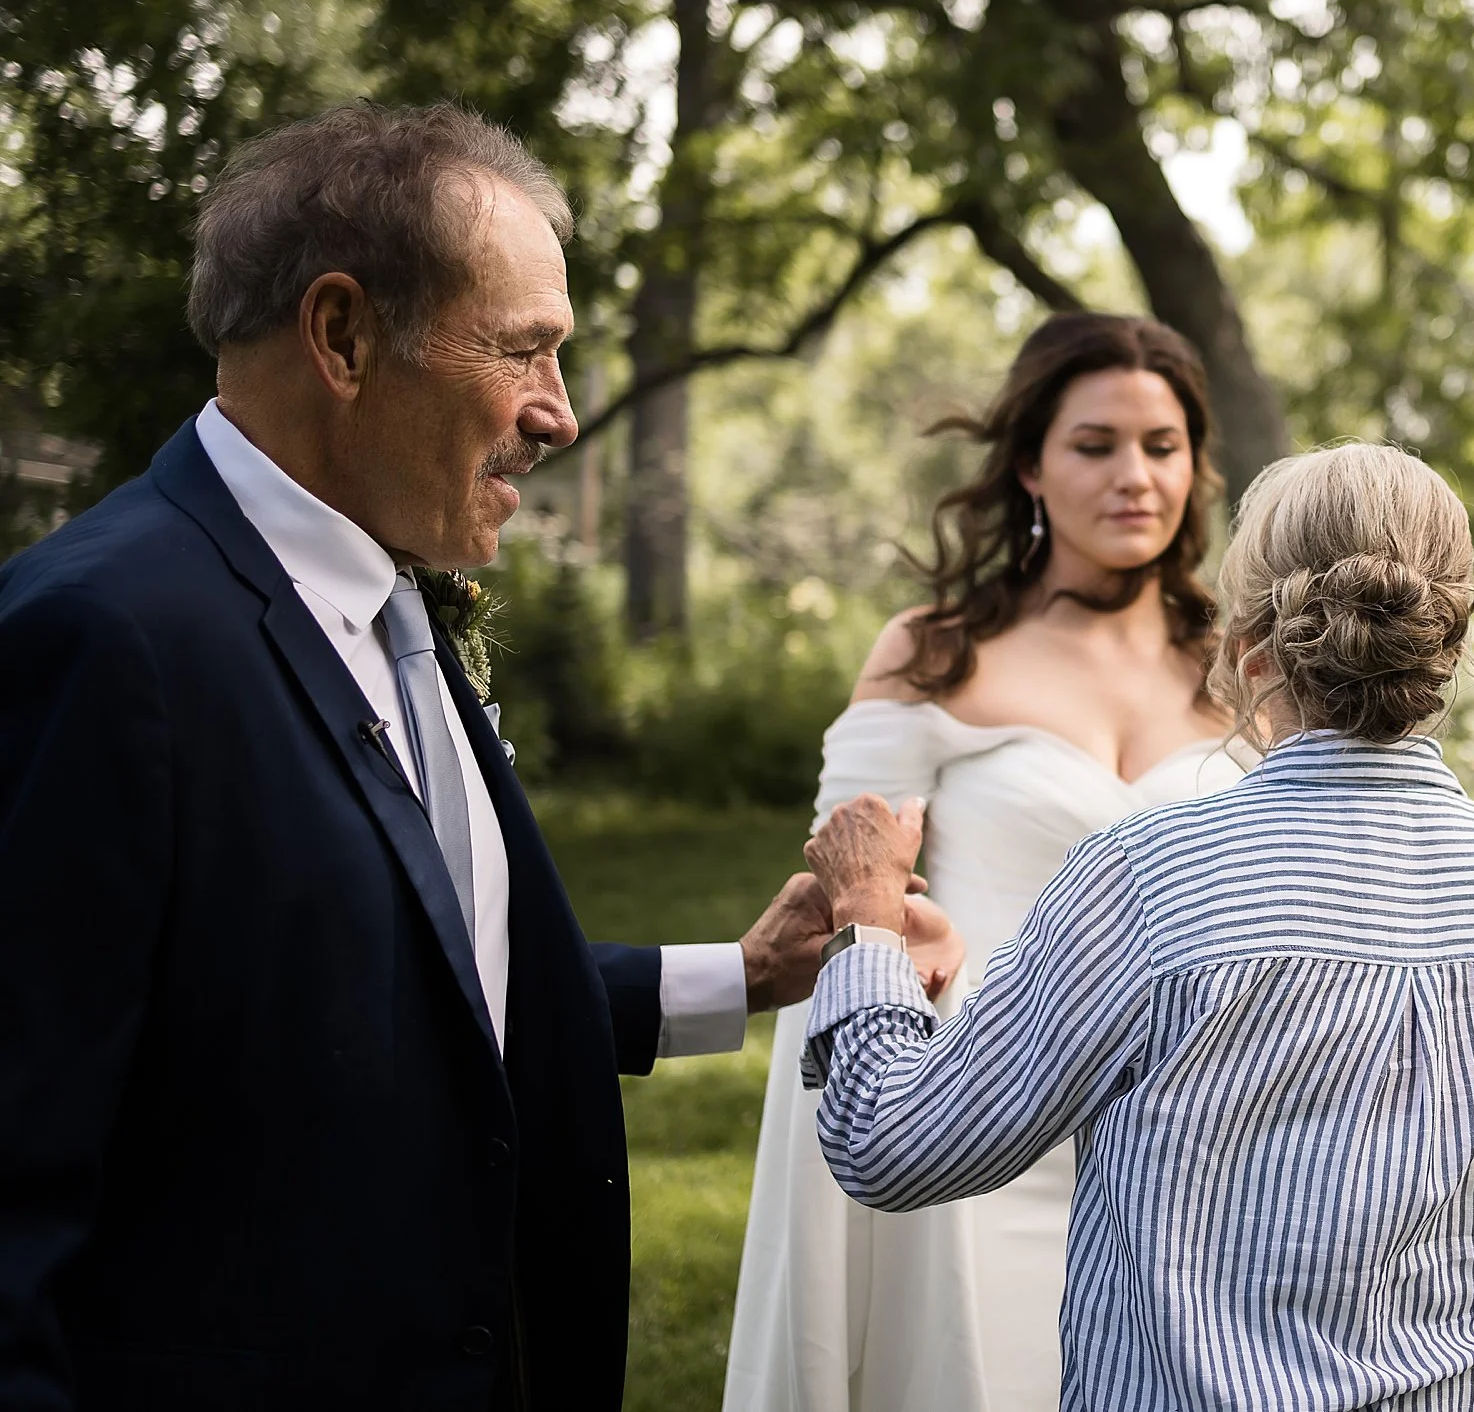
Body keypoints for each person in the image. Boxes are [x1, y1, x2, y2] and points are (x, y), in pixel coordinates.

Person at [0, 104, 865, 1409]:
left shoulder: (392, 594)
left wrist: (737, 975)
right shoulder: (102, 635)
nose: (560, 413)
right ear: (343, 335)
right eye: (524, 348)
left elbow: (401, 973)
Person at [798, 443, 1474, 1411]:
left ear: (1247, 650)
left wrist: (867, 928)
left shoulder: (1143, 877)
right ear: (1449, 638)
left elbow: (894, 1145)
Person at [724, 314, 1244, 1412]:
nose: (1134, 477)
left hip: (1189, 1129)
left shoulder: (1240, 668)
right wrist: (911, 935)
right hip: (977, 1104)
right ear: (1029, 465)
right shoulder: (938, 648)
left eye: (1162, 445)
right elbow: (842, 878)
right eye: (1095, 444)